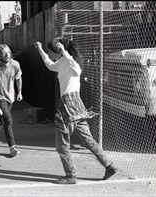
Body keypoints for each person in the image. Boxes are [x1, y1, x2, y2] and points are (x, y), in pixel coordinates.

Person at [34, 37, 117, 184]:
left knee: (62, 145)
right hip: (77, 107)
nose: (50, 53)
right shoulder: (61, 62)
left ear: (59, 51)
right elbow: (50, 65)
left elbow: (77, 71)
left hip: (67, 107)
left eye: (51, 51)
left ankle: (71, 176)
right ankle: (109, 166)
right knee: (88, 141)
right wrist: (40, 51)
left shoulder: (70, 61)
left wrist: (64, 52)